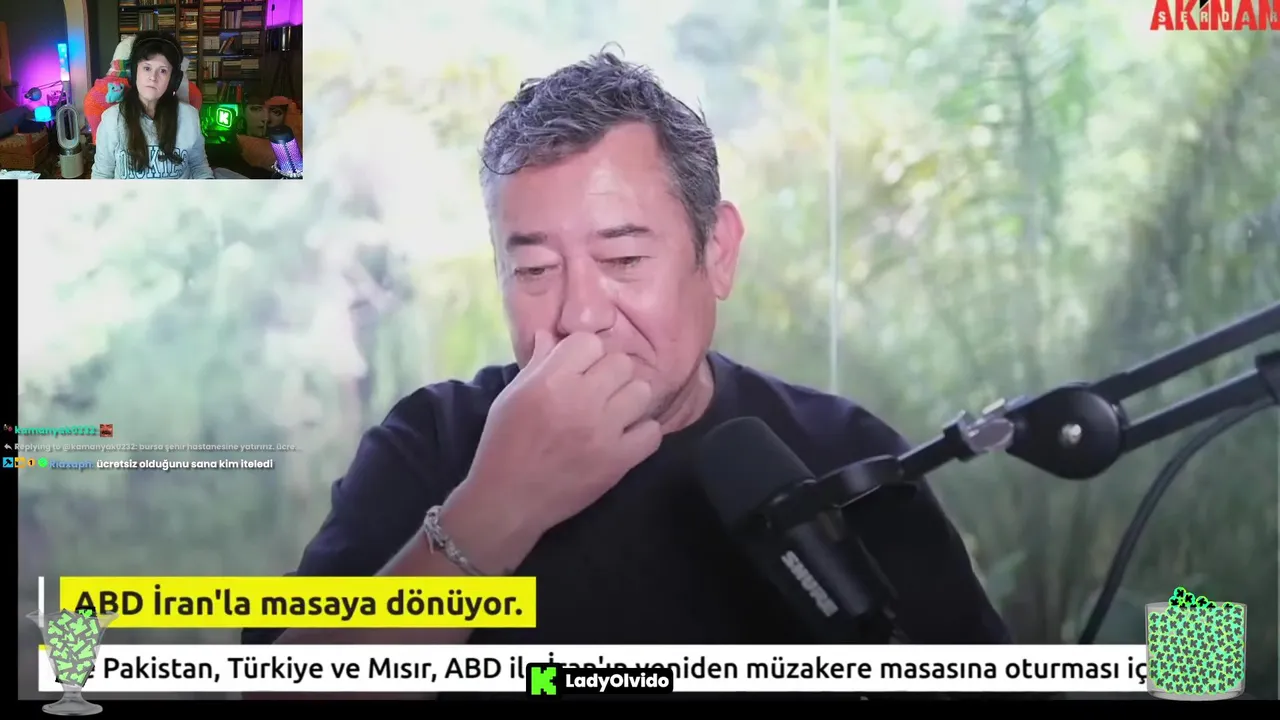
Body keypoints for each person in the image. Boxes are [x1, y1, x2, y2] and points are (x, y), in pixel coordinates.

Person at [242, 51, 1010, 700]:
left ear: (718, 252)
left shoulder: (845, 454)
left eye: (624, 258)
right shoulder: (432, 442)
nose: (581, 314)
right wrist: (491, 512)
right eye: (534, 269)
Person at [91, 32, 213, 179]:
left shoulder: (189, 117)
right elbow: (101, 175)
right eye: (147, 68)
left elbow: (199, 167)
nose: (153, 78)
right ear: (134, 72)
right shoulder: (111, 119)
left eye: (163, 71)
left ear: (173, 80)